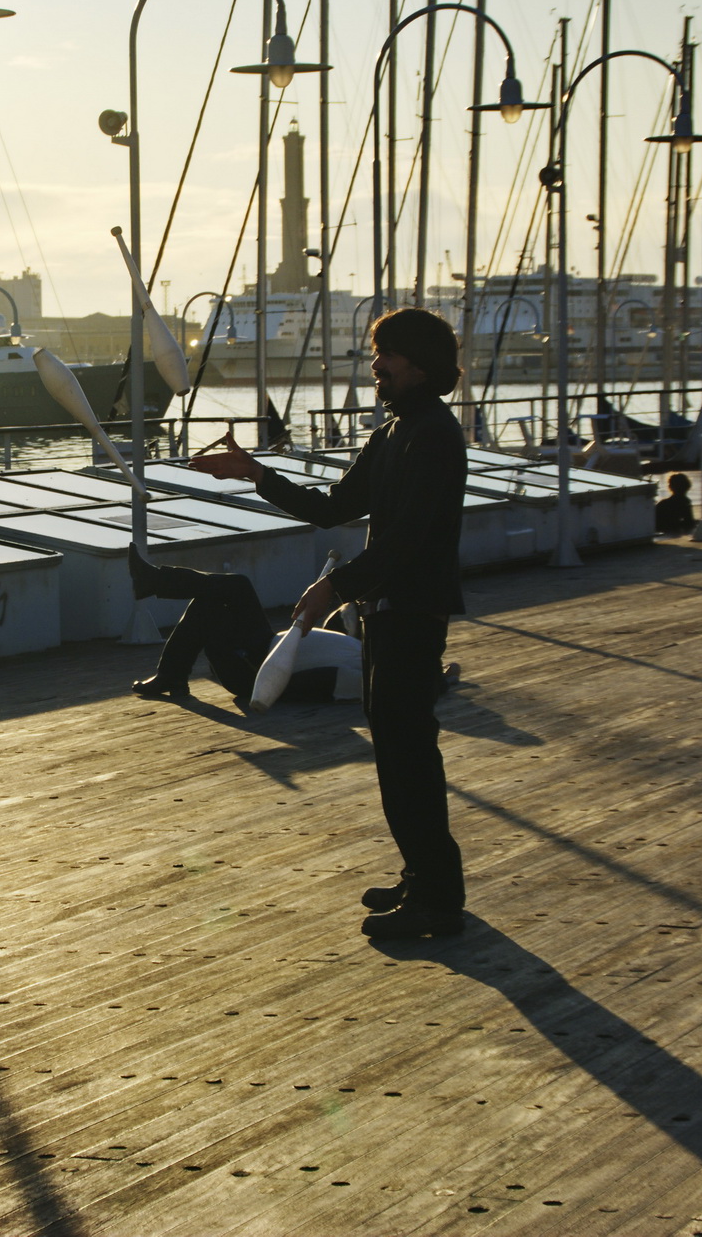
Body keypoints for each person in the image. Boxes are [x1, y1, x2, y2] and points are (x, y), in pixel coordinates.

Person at [192, 307, 469, 940]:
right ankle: (422, 875)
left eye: (387, 355)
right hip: (384, 612)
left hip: (413, 612)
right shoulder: (398, 428)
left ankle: (439, 899)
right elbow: (335, 508)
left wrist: (331, 588)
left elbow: (402, 545)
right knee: (396, 753)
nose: (376, 365)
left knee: (409, 755)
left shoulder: (434, 435)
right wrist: (257, 475)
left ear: (420, 364)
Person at [124, 554, 359, 704]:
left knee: (236, 587)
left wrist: (268, 688)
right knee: (212, 600)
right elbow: (344, 616)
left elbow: (321, 685)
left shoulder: (365, 672)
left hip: (255, 671)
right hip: (263, 647)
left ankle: (153, 581)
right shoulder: (359, 648)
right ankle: (171, 676)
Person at [654, 471, 697, 536]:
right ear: (687, 487)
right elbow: (689, 523)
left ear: (670, 487)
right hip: (671, 530)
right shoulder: (685, 502)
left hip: (660, 529)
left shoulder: (662, 504)